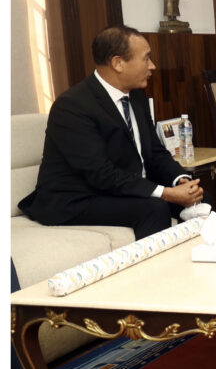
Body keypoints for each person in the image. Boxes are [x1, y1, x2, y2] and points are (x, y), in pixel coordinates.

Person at [18, 25, 205, 240]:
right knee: (154, 208)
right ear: (118, 63)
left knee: (202, 199)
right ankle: (156, 264)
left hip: (119, 190)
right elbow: (100, 173)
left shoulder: (136, 97)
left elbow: (155, 151)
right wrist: (166, 193)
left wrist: (180, 181)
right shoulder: (72, 106)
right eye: (146, 58)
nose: (152, 66)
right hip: (77, 198)